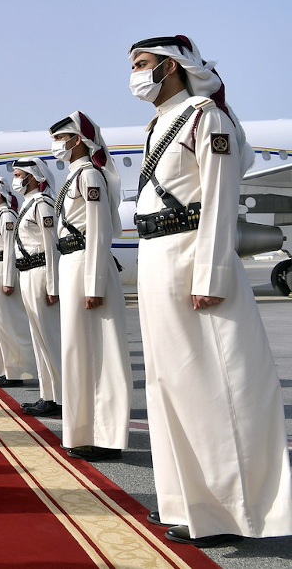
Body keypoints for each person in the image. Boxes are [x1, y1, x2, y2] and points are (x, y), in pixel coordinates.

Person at [129, 35, 292, 546]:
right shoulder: (158, 124)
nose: (134, 75)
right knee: (168, 387)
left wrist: (212, 275)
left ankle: (228, 512)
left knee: (213, 389)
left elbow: (220, 200)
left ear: (171, 67)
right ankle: (186, 503)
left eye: (142, 64)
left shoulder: (205, 118)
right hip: (157, 258)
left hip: (191, 259)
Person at [48, 113, 132, 460]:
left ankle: (107, 437)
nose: (56, 146)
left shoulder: (90, 175)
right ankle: (84, 432)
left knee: (100, 354)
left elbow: (98, 230)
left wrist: (95, 283)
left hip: (87, 266)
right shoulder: (74, 177)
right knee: (77, 352)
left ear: (78, 140)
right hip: (72, 264)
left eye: (61, 138)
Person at [10, 158, 61, 417]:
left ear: (33, 177)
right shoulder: (28, 206)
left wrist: (54, 285)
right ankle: (48, 395)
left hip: (42, 273)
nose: (16, 179)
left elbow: (52, 246)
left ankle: (61, 398)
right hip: (29, 272)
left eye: (19, 174)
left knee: (51, 340)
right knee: (40, 340)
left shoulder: (43, 205)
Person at [0, 179, 36, 387]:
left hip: (1, 270)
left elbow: (10, 248)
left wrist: (8, 278)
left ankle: (18, 372)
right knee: (0, 325)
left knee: (10, 324)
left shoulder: (7, 215)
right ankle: (7, 370)